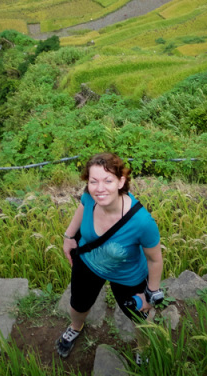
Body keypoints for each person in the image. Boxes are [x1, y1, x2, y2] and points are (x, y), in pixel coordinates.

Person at [56, 152, 164, 358]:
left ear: (121, 181)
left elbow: (155, 259)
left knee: (140, 318)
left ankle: (144, 349)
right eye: (93, 181)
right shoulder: (90, 197)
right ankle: (75, 327)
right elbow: (82, 206)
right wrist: (69, 236)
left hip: (128, 275)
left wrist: (151, 293)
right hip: (88, 263)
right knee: (78, 305)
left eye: (108, 180)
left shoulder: (142, 222)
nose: (100, 188)